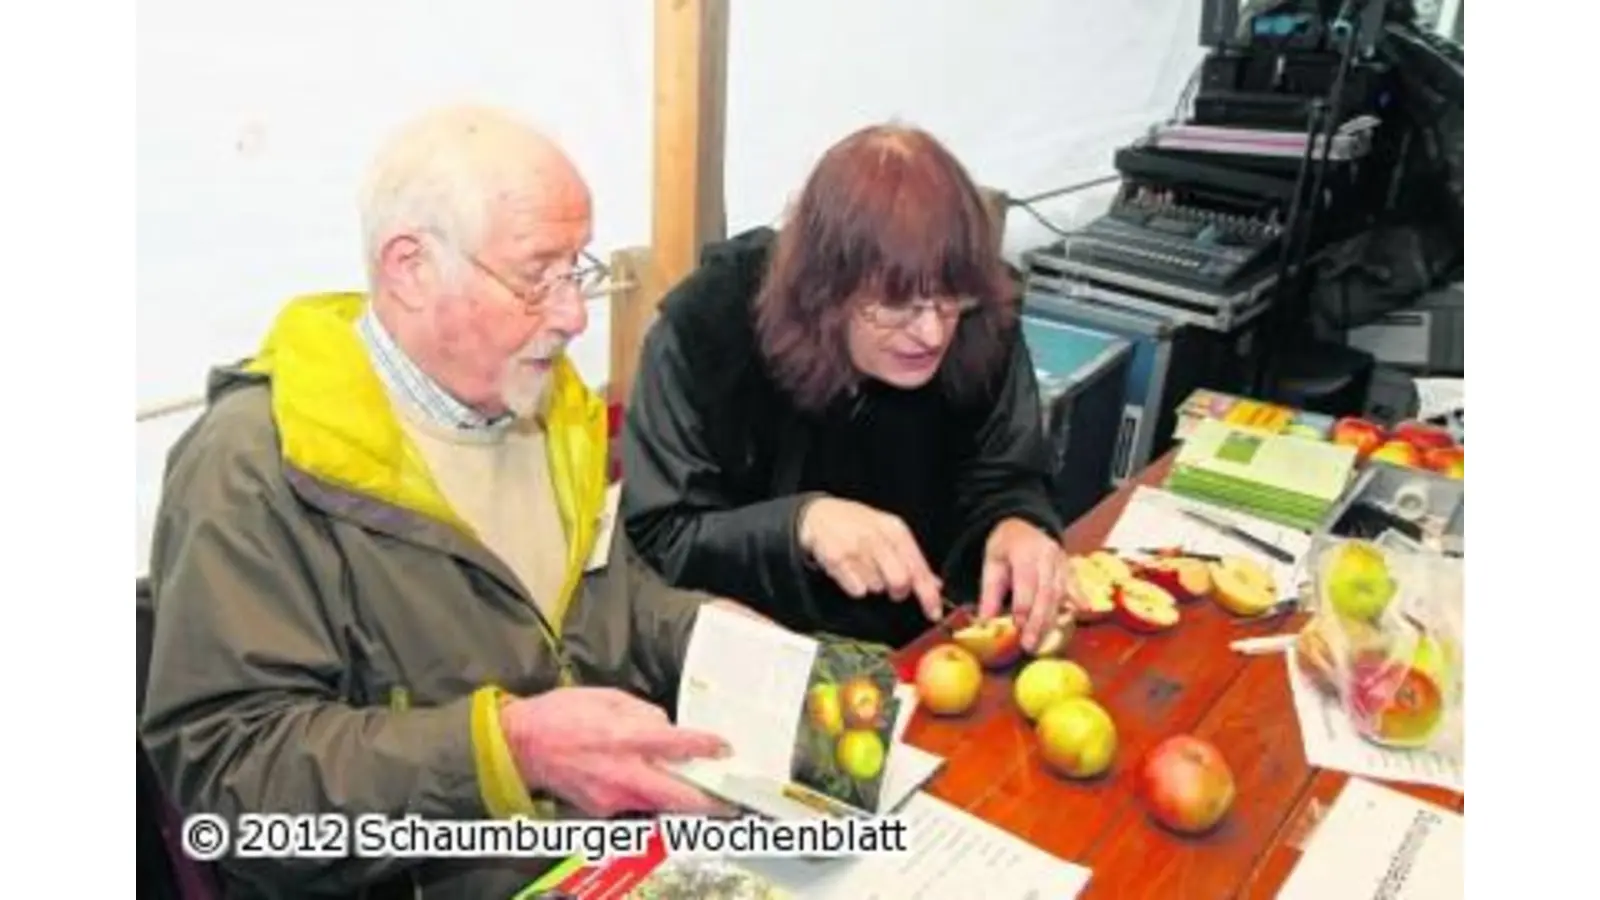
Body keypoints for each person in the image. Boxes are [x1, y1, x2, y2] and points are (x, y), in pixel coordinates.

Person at [138, 105, 745, 900]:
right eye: (537, 276)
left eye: (578, 271)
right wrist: (505, 750)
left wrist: (721, 641)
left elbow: (607, 607)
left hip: (599, 864)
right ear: (410, 268)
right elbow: (237, 784)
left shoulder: (544, 405)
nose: (570, 316)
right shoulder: (252, 468)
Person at [620, 123, 1069, 652]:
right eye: (896, 306)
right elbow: (661, 536)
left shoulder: (983, 315)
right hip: (757, 654)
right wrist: (800, 526)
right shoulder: (705, 333)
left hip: (938, 650)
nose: (932, 333)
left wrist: (1016, 524)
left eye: (951, 300)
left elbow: (1005, 474)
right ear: (822, 288)